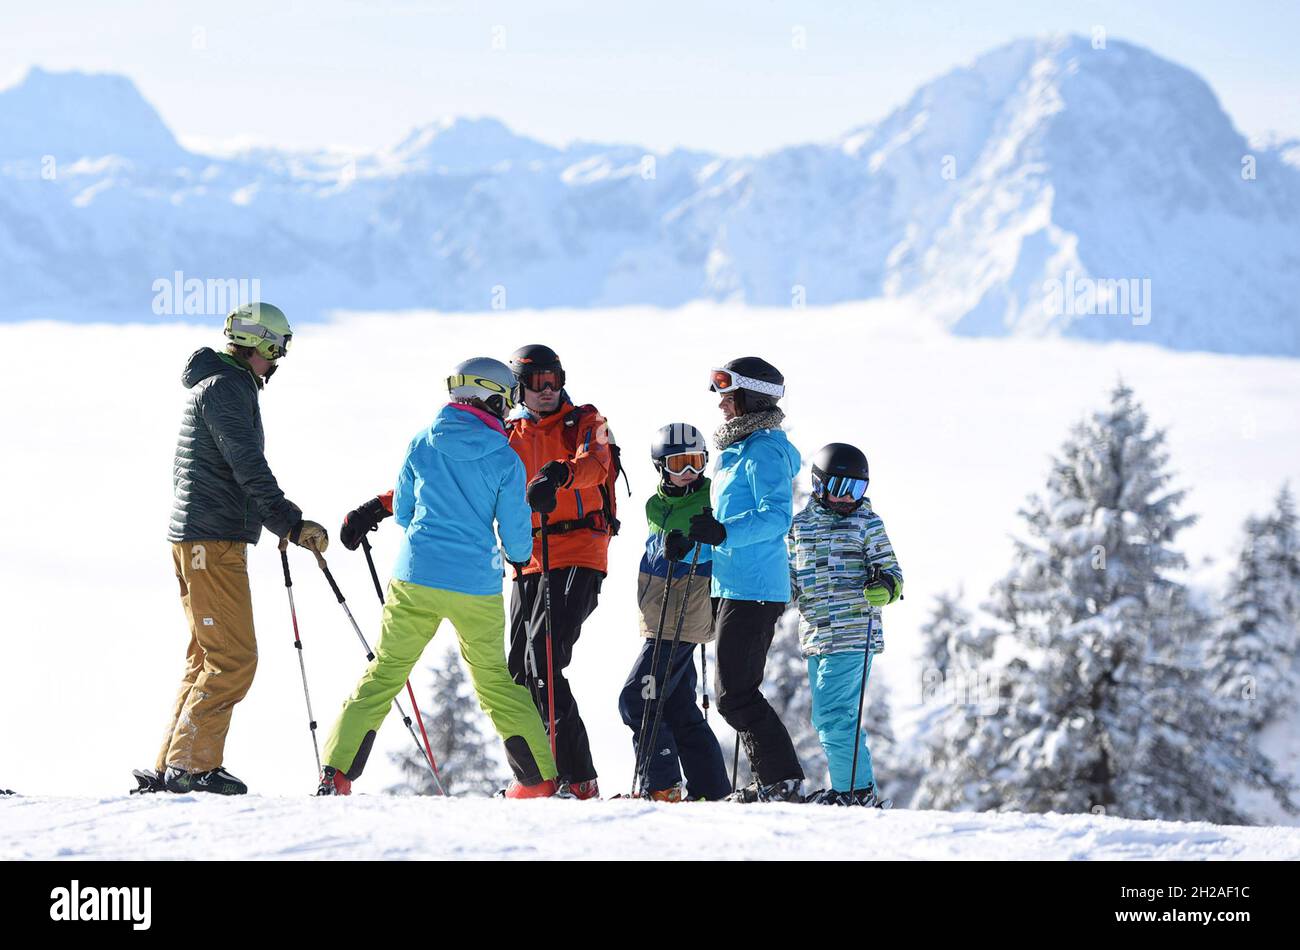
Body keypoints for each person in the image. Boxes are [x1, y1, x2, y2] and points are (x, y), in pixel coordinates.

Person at [317, 358, 559, 799]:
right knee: (495, 683)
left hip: (416, 577)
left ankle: (336, 774)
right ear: (492, 399)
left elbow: (405, 512)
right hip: (476, 586)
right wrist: (518, 556)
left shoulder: (421, 442)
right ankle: (538, 780)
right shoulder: (506, 457)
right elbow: (517, 538)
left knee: (384, 673)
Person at [140, 303, 328, 796]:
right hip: (212, 540)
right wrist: (289, 522)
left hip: (202, 538)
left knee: (207, 657)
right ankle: (191, 767)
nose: (280, 361)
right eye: (279, 349)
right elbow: (246, 462)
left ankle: (175, 763)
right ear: (262, 344)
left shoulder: (219, 383)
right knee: (234, 658)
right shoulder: (226, 387)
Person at [685, 357, 804, 803]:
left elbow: (776, 517)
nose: (721, 407)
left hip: (755, 589)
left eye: (728, 398)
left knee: (735, 696)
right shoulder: (735, 452)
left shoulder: (765, 451)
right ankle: (774, 781)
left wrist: (724, 532)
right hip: (731, 585)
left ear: (751, 398)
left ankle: (780, 780)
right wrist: (704, 534)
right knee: (734, 693)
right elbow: (728, 518)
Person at [504, 344, 618, 800]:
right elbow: (459, 476)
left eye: (554, 379)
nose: (548, 389)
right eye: (536, 382)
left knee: (545, 658)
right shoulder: (507, 434)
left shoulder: (587, 422)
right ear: (519, 387)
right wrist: (382, 505)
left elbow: (597, 464)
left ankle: (579, 778)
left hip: (578, 551)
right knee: (516, 670)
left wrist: (560, 475)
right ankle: (537, 778)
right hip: (529, 558)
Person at [617, 424, 730, 801]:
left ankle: (661, 784)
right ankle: (712, 789)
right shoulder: (655, 504)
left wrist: (703, 540)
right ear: (660, 467)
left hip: (688, 609)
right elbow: (655, 547)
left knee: (636, 698)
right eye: (679, 464)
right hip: (657, 611)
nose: (689, 474)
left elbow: (723, 543)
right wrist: (667, 546)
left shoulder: (712, 497)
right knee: (678, 702)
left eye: (696, 463)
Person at [788, 443, 903, 807]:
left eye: (856, 490)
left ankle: (854, 790)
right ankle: (854, 787)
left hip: (854, 632)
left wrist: (885, 588)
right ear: (819, 485)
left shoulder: (867, 523)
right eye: (839, 488)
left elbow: (893, 573)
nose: (846, 499)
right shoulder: (799, 527)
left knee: (833, 714)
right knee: (828, 717)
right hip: (816, 635)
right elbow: (790, 576)